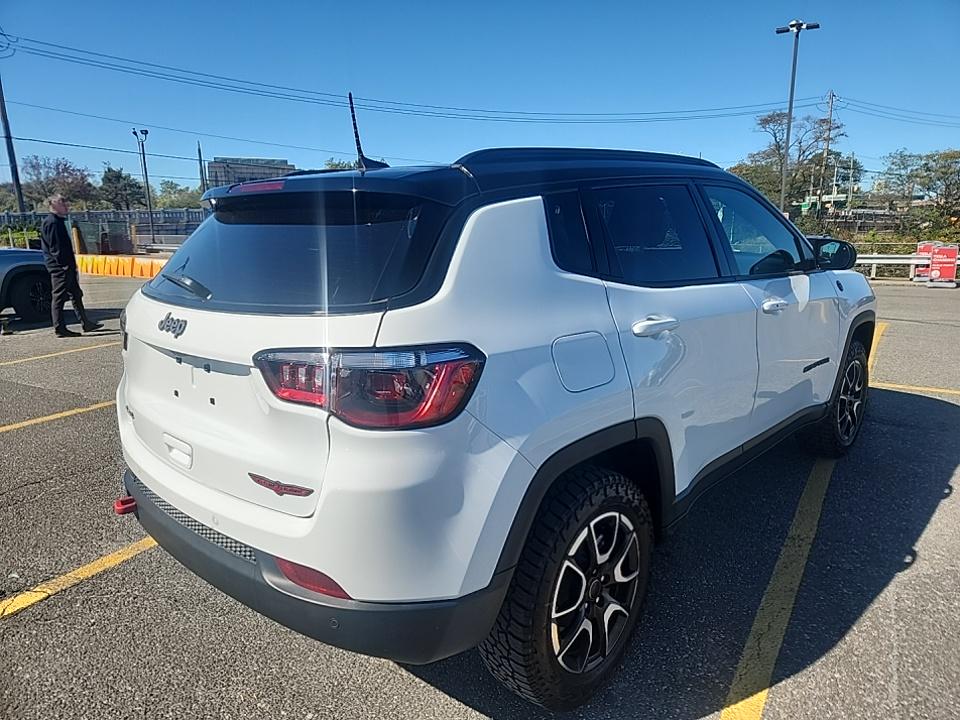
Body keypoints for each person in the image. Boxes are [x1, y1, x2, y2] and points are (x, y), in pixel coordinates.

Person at [40, 194, 102, 337]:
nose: (66, 206)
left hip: (67, 266)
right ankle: (59, 328)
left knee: (76, 294)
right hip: (60, 268)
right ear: (53, 205)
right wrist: (64, 267)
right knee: (59, 297)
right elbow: (56, 249)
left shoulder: (58, 221)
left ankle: (85, 323)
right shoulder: (52, 222)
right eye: (63, 203)